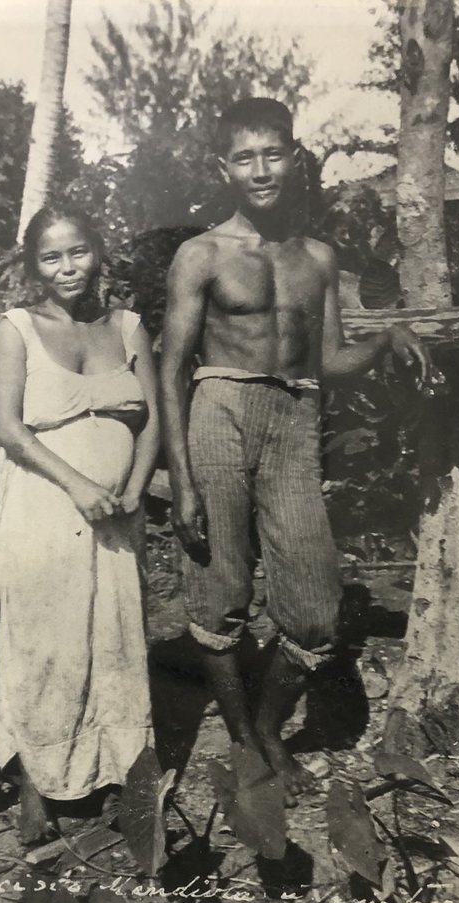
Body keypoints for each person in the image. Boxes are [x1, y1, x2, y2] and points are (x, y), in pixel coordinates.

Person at [159, 98, 429, 800]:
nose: (260, 170)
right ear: (224, 168)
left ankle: (269, 726)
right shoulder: (201, 254)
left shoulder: (318, 259)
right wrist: (181, 480)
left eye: (272, 154)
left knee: (315, 610)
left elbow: (330, 361)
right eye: (244, 158)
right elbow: (172, 368)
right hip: (219, 408)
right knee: (221, 591)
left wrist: (386, 339)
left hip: (295, 417)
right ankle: (246, 742)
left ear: (295, 157)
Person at [0, 205, 160, 844]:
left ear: (97, 253)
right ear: (33, 266)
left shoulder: (126, 327)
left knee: (112, 642)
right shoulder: (17, 328)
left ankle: (119, 772)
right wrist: (78, 485)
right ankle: (35, 784)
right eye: (51, 257)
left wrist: (134, 488)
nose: (67, 267)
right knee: (41, 646)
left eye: (77, 252)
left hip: (116, 516)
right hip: (45, 508)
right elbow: (8, 428)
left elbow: (153, 420)